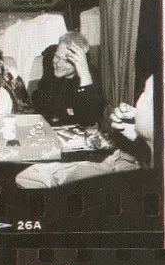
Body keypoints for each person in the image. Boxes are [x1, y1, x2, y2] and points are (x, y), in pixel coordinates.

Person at [15, 74, 155, 189]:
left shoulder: (87, 81)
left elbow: (87, 119)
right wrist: (138, 136)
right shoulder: (51, 82)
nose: (138, 100)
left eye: (144, 92)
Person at [32, 32, 104, 127]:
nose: (58, 64)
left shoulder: (90, 77)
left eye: (67, 60)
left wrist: (84, 75)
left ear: (80, 61)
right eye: (57, 56)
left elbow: (88, 121)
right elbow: (41, 100)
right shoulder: (50, 66)